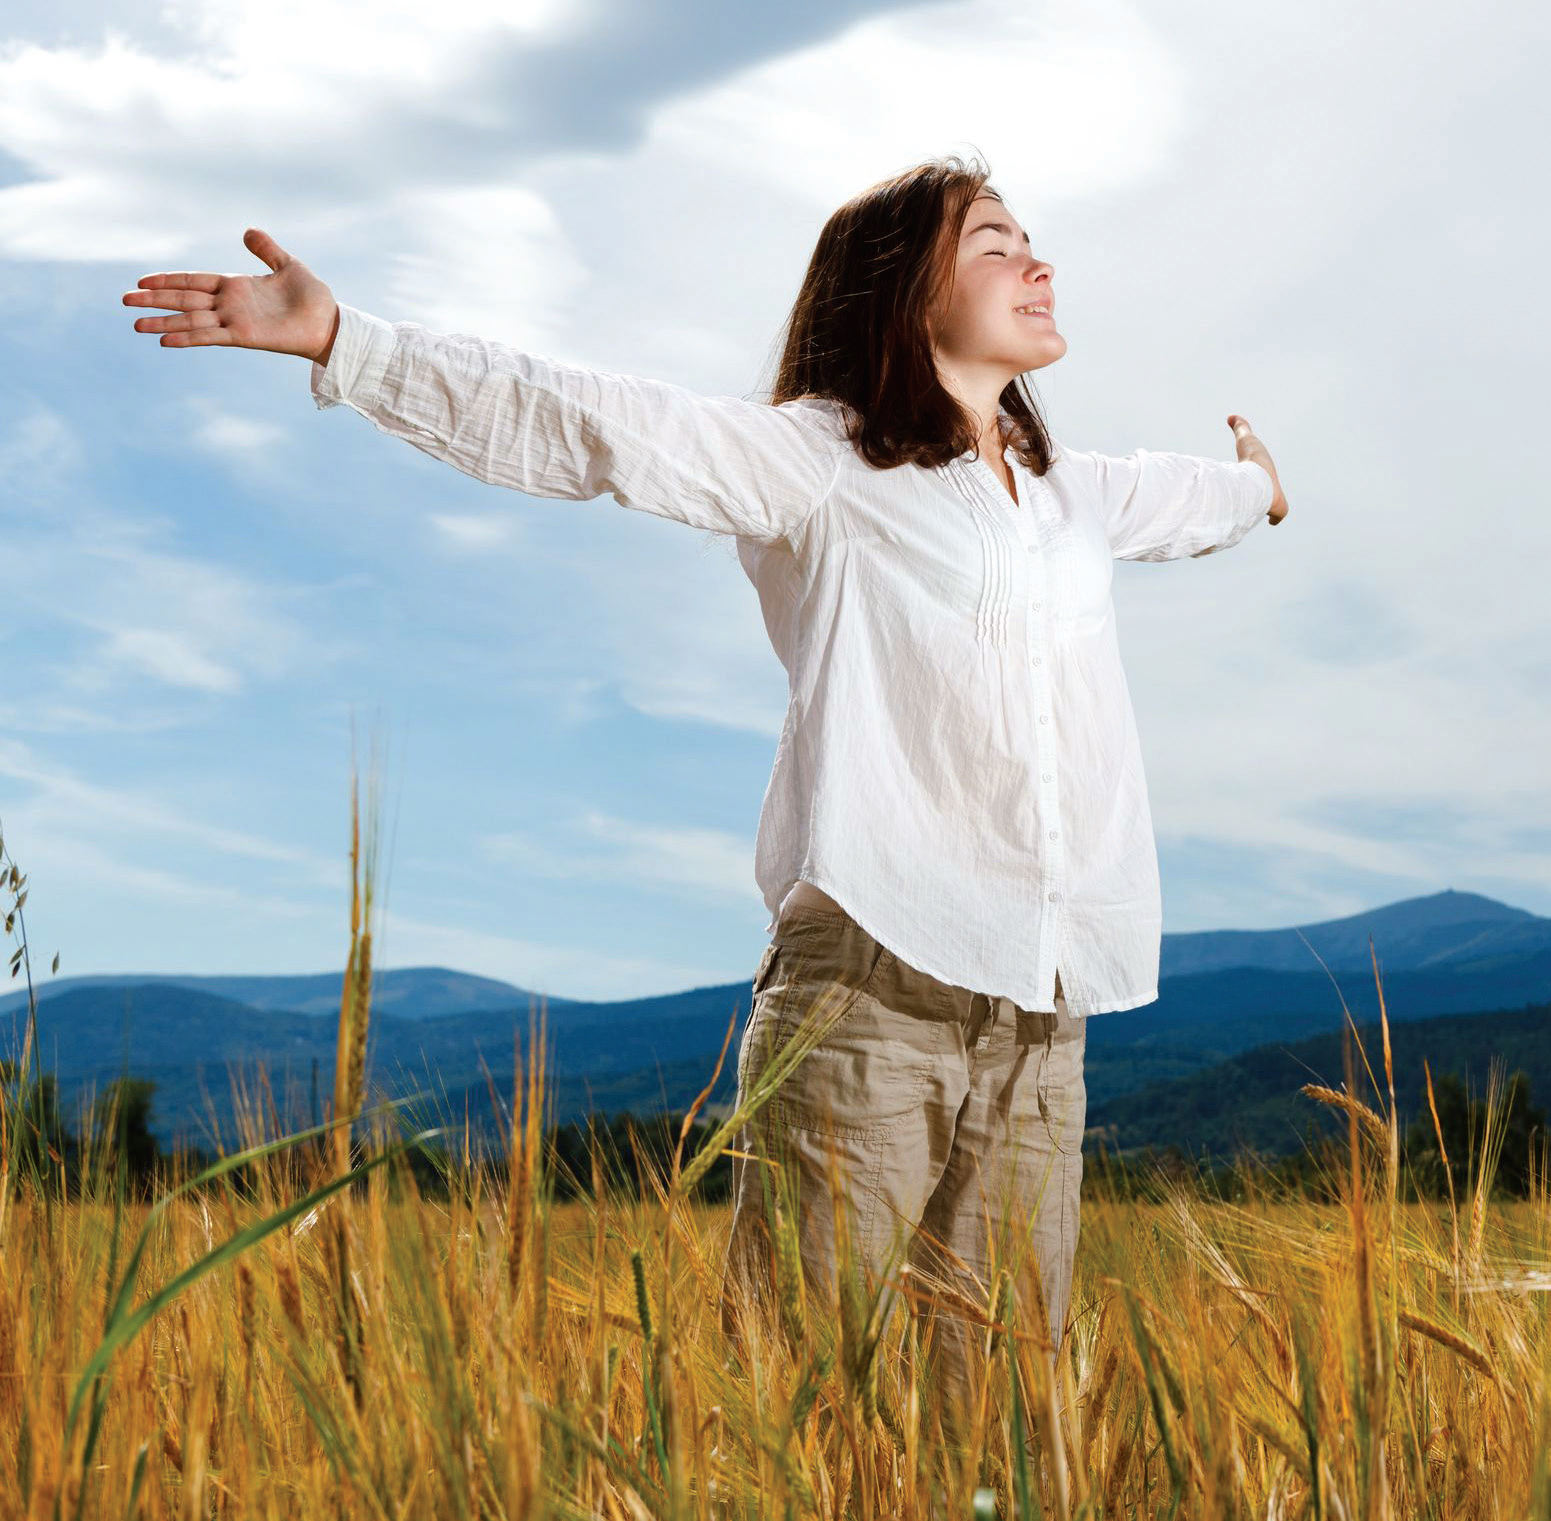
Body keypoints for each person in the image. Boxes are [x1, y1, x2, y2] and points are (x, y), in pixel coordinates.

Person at [121, 153, 1289, 1442]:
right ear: (906, 292)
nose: (1039, 261)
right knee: (798, 1399)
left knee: (1011, 1423)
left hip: (1044, 1016)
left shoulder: (1072, 497)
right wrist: (349, 344)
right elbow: (592, 425)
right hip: (871, 994)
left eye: (1033, 239)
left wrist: (1258, 485)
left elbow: (1199, 501)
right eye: (997, 242)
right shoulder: (819, 464)